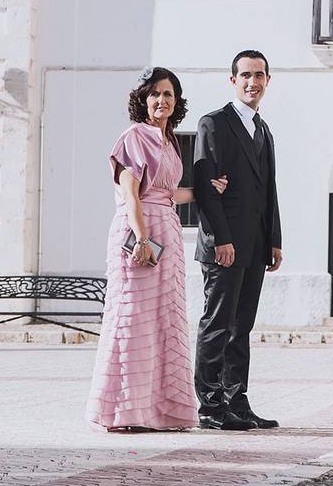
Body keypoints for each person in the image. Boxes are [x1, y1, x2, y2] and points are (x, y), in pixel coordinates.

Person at [86, 67, 228, 432]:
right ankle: (126, 412)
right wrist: (143, 239)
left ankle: (159, 412)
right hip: (140, 236)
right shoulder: (134, 136)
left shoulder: (169, 141)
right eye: (155, 95)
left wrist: (206, 190)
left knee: (163, 323)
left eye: (168, 94)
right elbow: (130, 193)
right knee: (133, 320)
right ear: (143, 101)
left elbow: (169, 194)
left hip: (168, 232)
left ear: (176, 101)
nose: (161, 101)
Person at [192, 50, 283, 431]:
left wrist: (274, 239)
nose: (252, 82)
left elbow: (269, 191)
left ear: (267, 80)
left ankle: (236, 400)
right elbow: (204, 188)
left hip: (255, 244)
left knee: (241, 327)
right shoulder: (213, 123)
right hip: (224, 245)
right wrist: (219, 240)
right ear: (233, 81)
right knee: (217, 324)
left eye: (259, 75)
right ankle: (210, 406)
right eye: (245, 75)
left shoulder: (263, 129)